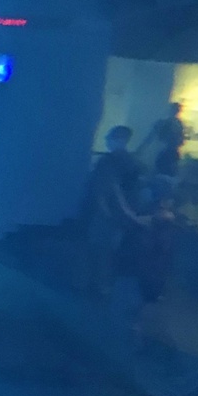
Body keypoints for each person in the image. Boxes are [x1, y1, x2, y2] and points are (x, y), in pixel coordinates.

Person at [80, 125, 149, 298]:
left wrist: (104, 212)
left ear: (118, 139)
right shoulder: (134, 163)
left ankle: (99, 286)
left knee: (100, 250)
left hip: (108, 217)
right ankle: (108, 287)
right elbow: (137, 191)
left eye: (109, 138)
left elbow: (102, 191)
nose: (107, 141)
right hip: (126, 219)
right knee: (114, 252)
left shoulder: (107, 162)